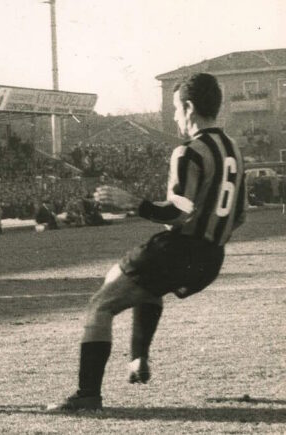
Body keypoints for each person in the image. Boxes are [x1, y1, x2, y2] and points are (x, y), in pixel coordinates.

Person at [49, 73, 246, 411]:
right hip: (212, 257)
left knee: (100, 305)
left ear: (188, 107)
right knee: (135, 281)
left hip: (179, 248)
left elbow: (177, 212)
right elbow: (240, 214)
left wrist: (133, 203)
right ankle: (138, 358)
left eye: (174, 109)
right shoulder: (233, 150)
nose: (174, 117)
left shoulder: (189, 151)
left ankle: (87, 395)